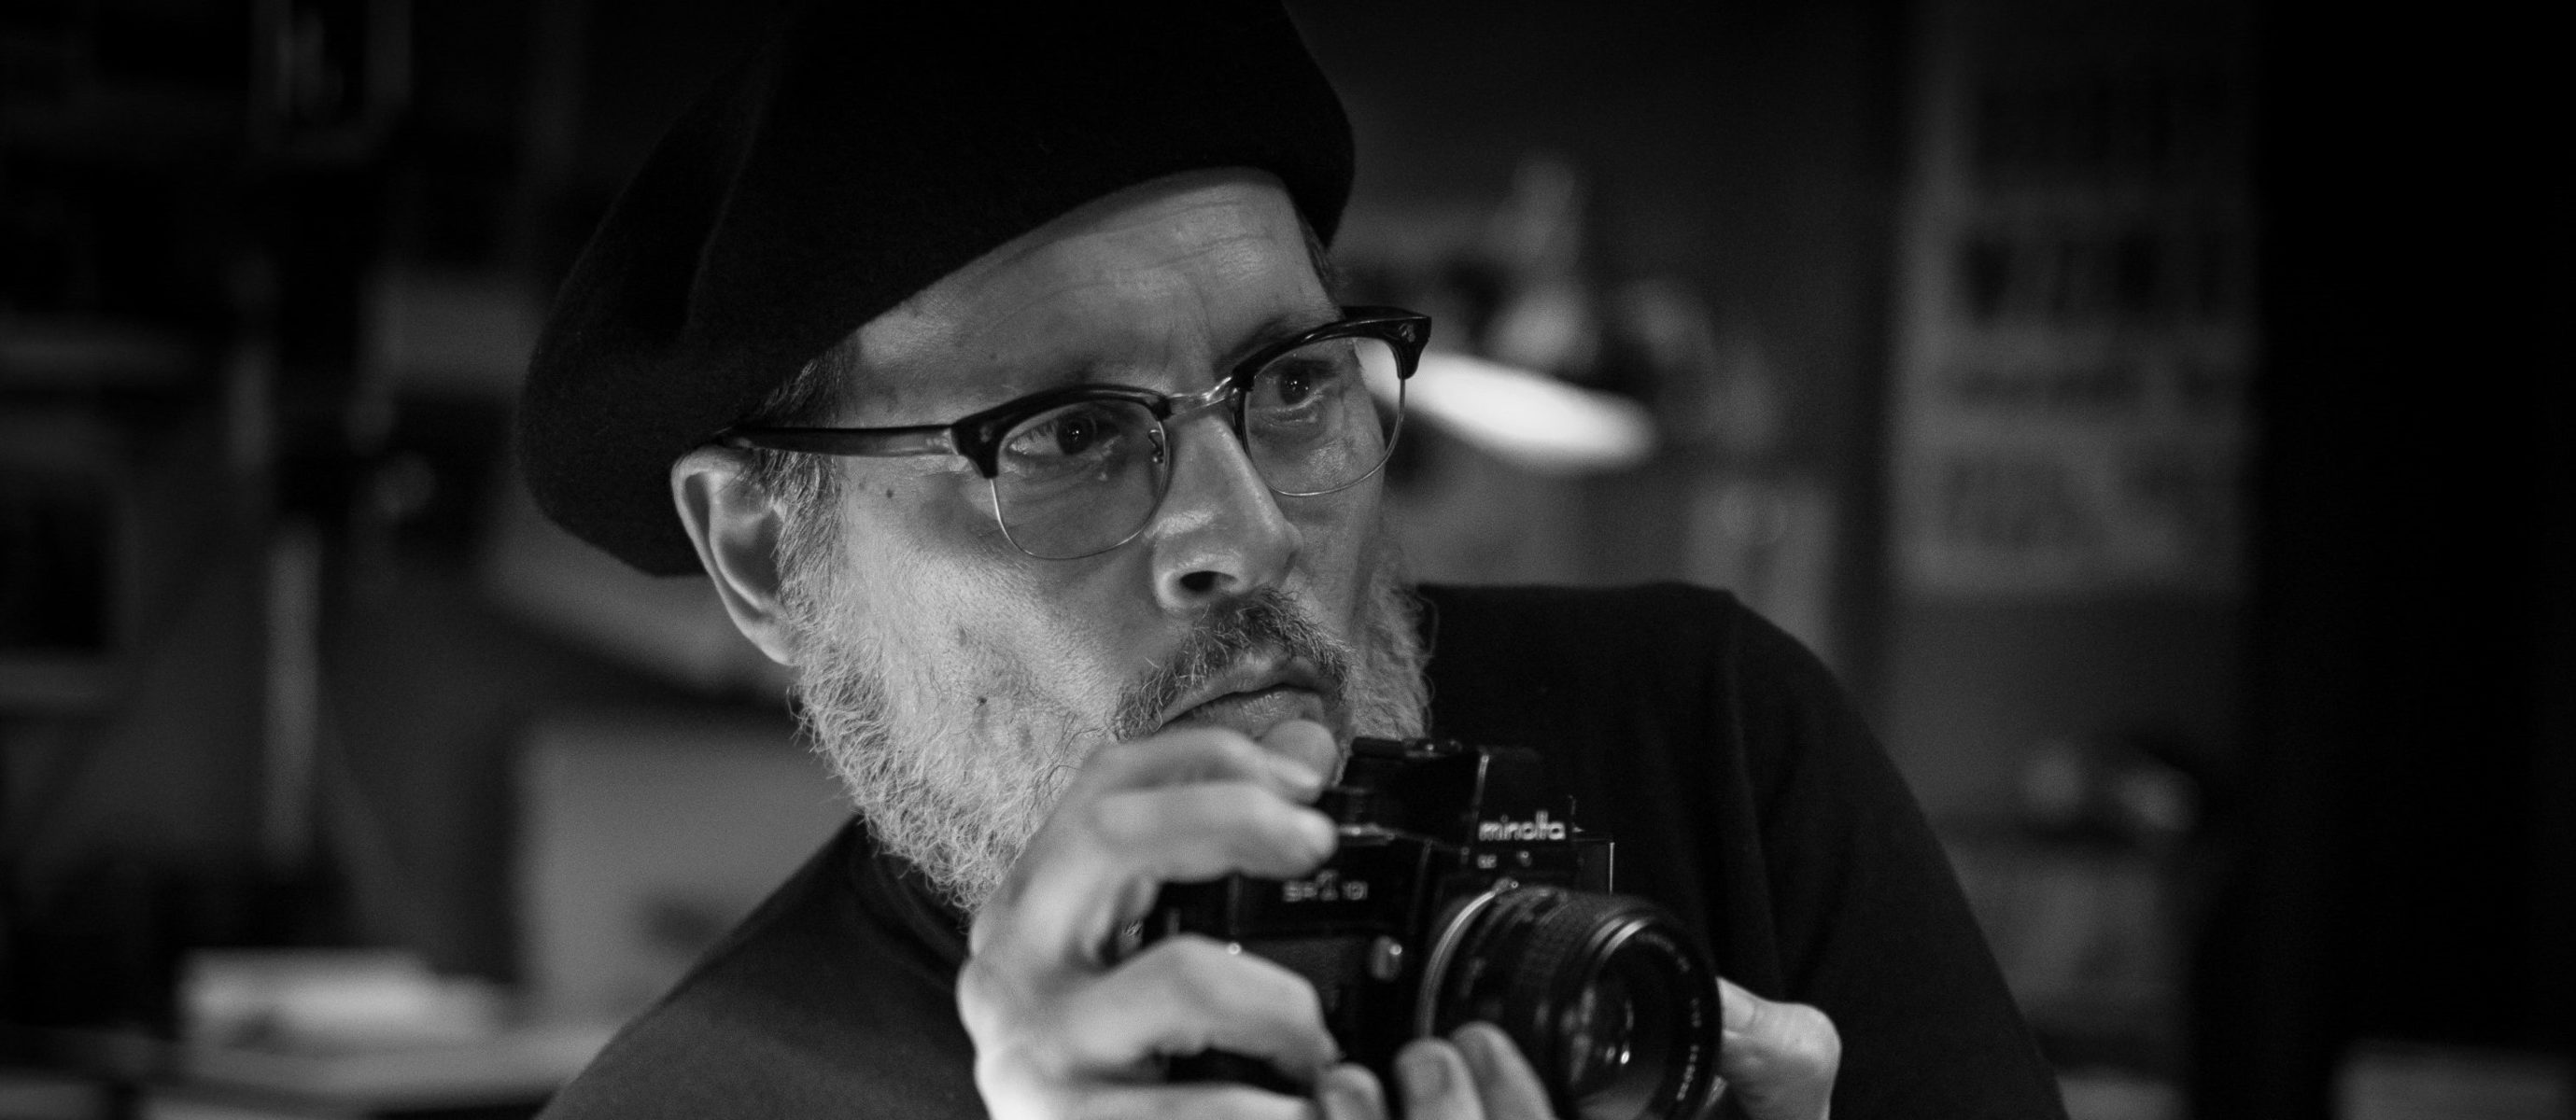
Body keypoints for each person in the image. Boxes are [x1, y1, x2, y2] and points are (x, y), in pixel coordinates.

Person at [515, 4, 2064, 1118]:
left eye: (1293, 382)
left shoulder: (1707, 741)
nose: (1247, 533)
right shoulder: (707, 1100)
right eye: (1068, 434)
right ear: (764, 554)